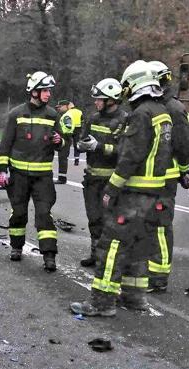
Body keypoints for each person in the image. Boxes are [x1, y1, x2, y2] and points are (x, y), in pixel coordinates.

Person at [70, 60, 173, 316]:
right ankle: (135, 299)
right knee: (138, 246)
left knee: (111, 245)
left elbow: (130, 156)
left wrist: (111, 189)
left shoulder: (140, 115)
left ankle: (101, 303)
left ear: (136, 85)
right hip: (155, 193)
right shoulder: (162, 113)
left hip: (134, 193)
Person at [0, 71, 64, 272]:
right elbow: (5, 143)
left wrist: (60, 141)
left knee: (44, 214)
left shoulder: (53, 115)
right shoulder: (16, 114)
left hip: (42, 177)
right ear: (33, 92)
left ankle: (49, 256)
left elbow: (61, 142)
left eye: (49, 91)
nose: (48, 94)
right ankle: (16, 247)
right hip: (18, 176)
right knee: (18, 213)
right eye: (44, 90)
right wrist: (2, 169)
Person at [145, 61, 189, 293]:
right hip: (154, 175)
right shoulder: (158, 105)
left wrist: (184, 170)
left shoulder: (173, 108)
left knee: (161, 226)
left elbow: (185, 144)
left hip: (166, 177)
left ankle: (159, 276)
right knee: (150, 224)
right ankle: (151, 269)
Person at [76, 78, 128, 268]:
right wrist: (81, 145)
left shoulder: (124, 121)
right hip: (91, 179)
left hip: (111, 181)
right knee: (94, 219)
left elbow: (124, 151)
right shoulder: (92, 118)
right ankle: (96, 254)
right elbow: (83, 140)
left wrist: (98, 146)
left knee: (111, 222)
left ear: (111, 100)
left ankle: (109, 259)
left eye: (99, 99)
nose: (96, 103)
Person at [54, 100, 83, 184]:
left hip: (65, 137)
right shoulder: (65, 115)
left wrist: (62, 134)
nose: (59, 108)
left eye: (60, 106)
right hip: (67, 136)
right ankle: (61, 177)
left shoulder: (67, 115)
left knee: (62, 158)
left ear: (66, 106)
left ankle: (62, 178)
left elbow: (68, 127)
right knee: (62, 158)